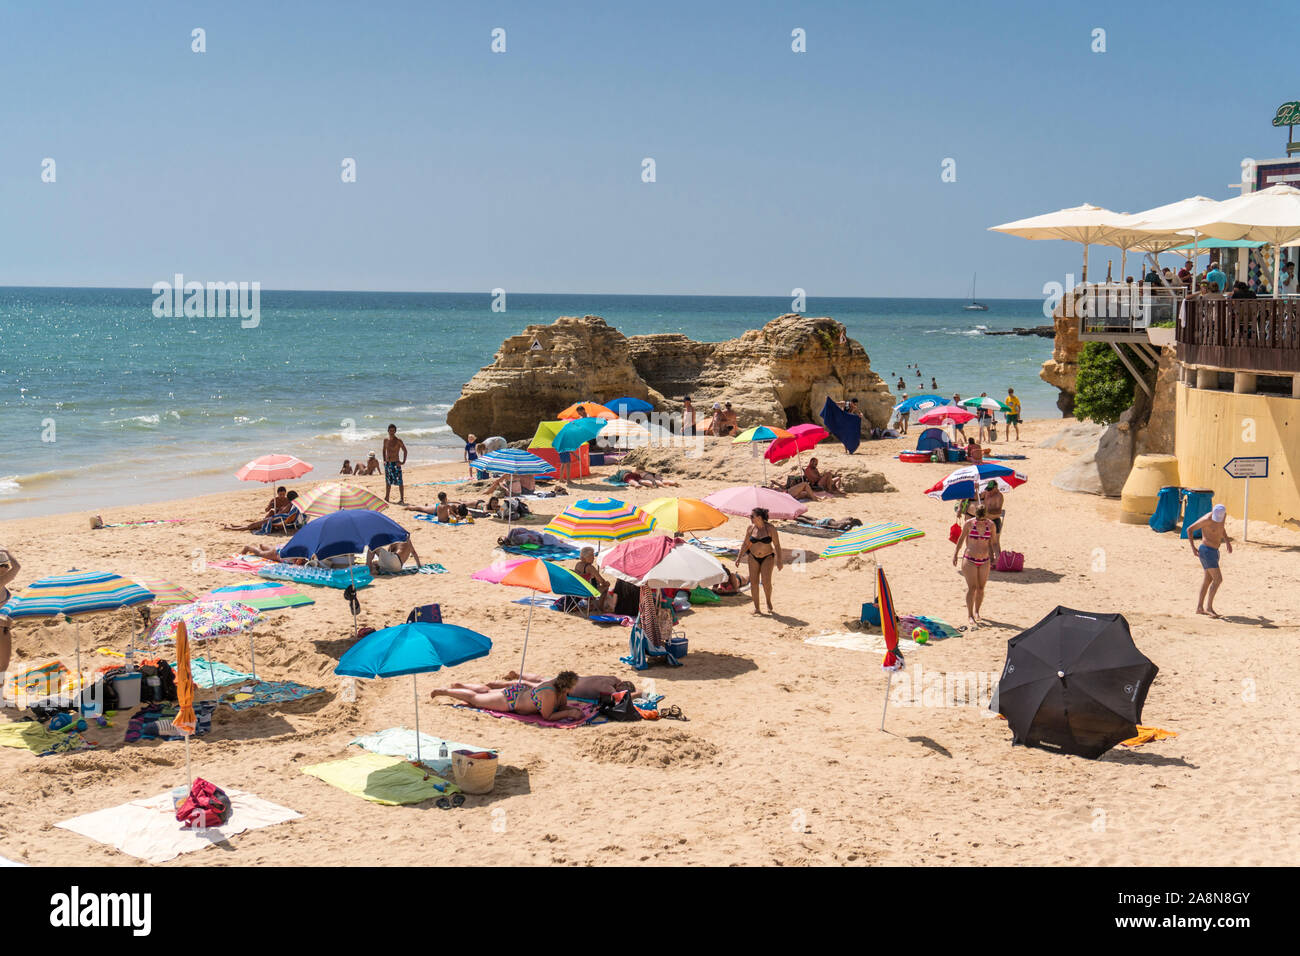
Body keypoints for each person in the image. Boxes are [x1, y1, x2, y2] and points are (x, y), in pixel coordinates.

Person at [430, 671, 585, 721]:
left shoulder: (559, 688)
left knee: (486, 691)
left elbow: (562, 705)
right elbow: (547, 715)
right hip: (511, 700)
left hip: (519, 692)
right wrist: (570, 713)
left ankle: (462, 686)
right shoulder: (550, 693)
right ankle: (444, 691)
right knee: (475, 700)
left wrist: (569, 709)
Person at [953, 504, 1000, 627]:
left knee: (981, 588)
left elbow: (994, 543)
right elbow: (961, 539)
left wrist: (997, 555)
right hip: (969, 559)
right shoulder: (969, 523)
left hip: (985, 560)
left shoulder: (991, 525)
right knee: (972, 588)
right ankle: (970, 615)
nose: (980, 521)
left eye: (982, 519)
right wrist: (955, 554)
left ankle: (977, 611)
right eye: (978, 519)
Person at [457, 672, 635, 702]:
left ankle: (518, 674)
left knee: (541, 678)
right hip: (568, 686)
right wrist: (640, 694)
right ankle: (495, 685)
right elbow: (619, 698)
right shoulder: (611, 690)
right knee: (530, 686)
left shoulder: (611, 678)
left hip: (573, 677)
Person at [1187, 503, 1232, 618]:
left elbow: (1221, 528)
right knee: (1218, 579)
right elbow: (1189, 529)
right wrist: (1193, 548)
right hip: (1206, 551)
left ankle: (1199, 608)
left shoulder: (1222, 515)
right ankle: (1209, 608)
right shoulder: (1206, 519)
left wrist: (1227, 541)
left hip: (1215, 551)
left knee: (1208, 579)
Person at [736, 507, 782, 615]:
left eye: (752, 516)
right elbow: (745, 543)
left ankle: (768, 601)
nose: (750, 518)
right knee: (754, 583)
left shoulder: (770, 529)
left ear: (759, 517)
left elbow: (777, 545)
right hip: (753, 557)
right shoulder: (751, 528)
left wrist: (779, 560)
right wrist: (739, 557)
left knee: (766, 582)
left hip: (767, 557)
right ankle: (757, 608)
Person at [224, 490, 299, 531]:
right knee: (255, 525)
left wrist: (280, 510)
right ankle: (236, 526)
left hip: (277, 520)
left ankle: (230, 528)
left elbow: (278, 515)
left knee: (251, 526)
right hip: (283, 521)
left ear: (288, 497)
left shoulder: (289, 505)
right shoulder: (296, 505)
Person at [0, 549, 21, 683]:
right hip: (1, 628)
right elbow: (17, 567)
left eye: (6, 565)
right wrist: (6, 551)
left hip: (4, 628)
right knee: (2, 667)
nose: (6, 568)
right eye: (3, 565)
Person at [573, 547, 610, 615]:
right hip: (587, 592)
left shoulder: (578, 564)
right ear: (585, 557)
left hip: (577, 590)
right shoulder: (590, 568)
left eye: (593, 555)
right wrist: (606, 583)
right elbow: (601, 581)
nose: (593, 558)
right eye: (591, 556)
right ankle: (600, 608)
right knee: (605, 587)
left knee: (592, 583)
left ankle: (591, 604)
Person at [383, 425, 407, 504]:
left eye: (393, 430)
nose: (392, 432)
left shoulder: (398, 441)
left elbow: (405, 451)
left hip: (396, 463)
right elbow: (383, 450)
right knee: (388, 481)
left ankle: (402, 498)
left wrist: (403, 462)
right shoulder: (385, 440)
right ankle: (387, 497)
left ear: (395, 431)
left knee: (400, 481)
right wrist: (384, 460)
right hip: (388, 464)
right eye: (390, 430)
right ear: (388, 431)